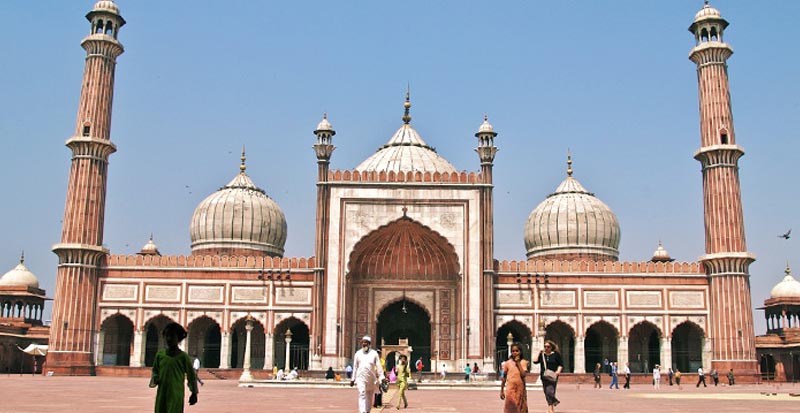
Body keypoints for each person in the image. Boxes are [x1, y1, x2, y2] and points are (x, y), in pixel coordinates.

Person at [149, 322, 198, 413]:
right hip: (162, 393)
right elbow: (155, 371)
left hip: (176, 393)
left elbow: (191, 377)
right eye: (167, 336)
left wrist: (194, 393)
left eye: (172, 336)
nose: (169, 339)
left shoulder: (183, 357)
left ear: (178, 338)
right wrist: (155, 379)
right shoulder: (160, 355)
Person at [351, 336, 385, 413]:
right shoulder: (358, 354)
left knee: (369, 396)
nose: (364, 344)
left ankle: (367, 411)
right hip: (360, 377)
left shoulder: (374, 354)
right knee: (362, 393)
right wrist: (353, 379)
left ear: (369, 344)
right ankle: (362, 411)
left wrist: (382, 377)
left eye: (366, 342)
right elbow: (355, 366)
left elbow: (378, 366)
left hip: (371, 378)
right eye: (363, 342)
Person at [532, 340, 563, 413]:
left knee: (550, 391)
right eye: (545, 346)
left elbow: (561, 364)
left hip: (553, 375)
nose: (546, 348)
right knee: (546, 392)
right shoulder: (542, 355)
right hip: (544, 376)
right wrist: (539, 352)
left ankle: (551, 407)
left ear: (551, 347)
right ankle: (551, 406)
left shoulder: (556, 354)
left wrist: (558, 371)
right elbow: (535, 361)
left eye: (548, 347)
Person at [500, 342, 530, 413]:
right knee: (510, 406)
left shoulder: (523, 362)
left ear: (520, 352)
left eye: (517, 351)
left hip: (520, 389)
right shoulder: (507, 363)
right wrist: (501, 390)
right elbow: (504, 377)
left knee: (520, 407)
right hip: (510, 389)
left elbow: (523, 374)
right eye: (513, 351)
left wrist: (518, 363)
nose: (515, 353)